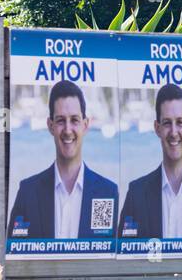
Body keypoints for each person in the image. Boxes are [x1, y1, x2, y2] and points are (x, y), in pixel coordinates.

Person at [8, 80, 118, 240]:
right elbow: (15, 254)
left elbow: (108, 254)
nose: (67, 130)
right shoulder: (28, 192)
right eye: (60, 121)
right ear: (50, 125)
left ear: (85, 125)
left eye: (74, 120)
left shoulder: (107, 192)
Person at [117, 84, 182, 239]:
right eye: (167, 123)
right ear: (157, 128)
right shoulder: (136, 194)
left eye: (180, 122)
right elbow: (126, 256)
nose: (174, 132)